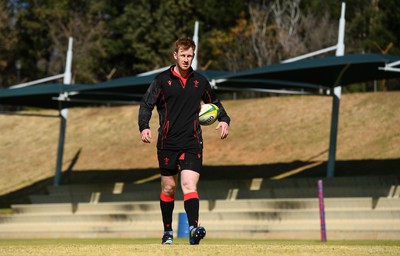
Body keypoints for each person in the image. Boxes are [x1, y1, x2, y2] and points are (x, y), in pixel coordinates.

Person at [138, 37, 230, 245]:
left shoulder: (200, 81)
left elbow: (214, 103)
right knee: (169, 188)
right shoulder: (161, 80)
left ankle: (193, 229)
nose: (186, 59)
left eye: (190, 56)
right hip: (167, 143)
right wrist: (144, 126)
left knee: (189, 184)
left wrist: (224, 120)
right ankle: (168, 232)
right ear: (175, 55)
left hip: (192, 141)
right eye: (183, 55)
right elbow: (146, 105)